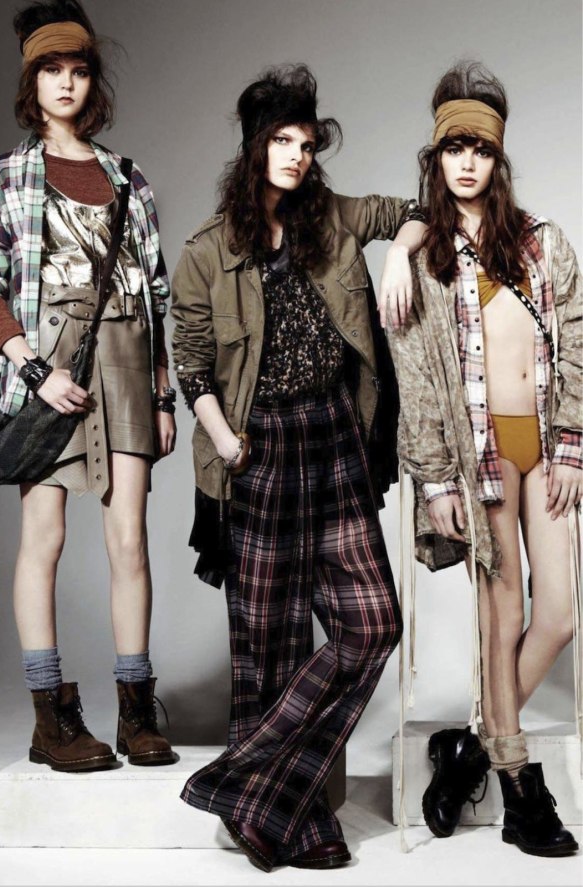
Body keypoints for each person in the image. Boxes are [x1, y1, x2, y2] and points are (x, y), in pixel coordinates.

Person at [171, 64, 427, 871]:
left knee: (371, 621)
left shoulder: (336, 218)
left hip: (334, 438)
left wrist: (398, 255)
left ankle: (240, 781)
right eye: (280, 141)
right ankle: (295, 813)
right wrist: (226, 440)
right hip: (257, 450)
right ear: (253, 148)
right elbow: (191, 364)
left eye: (306, 144)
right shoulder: (208, 252)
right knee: (268, 642)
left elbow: (417, 211)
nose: (294, 156)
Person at [0, 0, 177, 770]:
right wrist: (33, 370)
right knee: (44, 537)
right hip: (48, 360)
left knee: (129, 538)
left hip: (125, 356)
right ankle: (50, 717)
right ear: (31, 80)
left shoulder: (126, 176)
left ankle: (135, 711)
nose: (65, 83)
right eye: (50, 69)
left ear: (93, 82)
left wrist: (162, 394)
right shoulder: (3, 176)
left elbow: (155, 292)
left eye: (78, 70)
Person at [386, 61, 581, 857]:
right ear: (434, 157)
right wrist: (436, 479)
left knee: (558, 615)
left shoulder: (542, 243)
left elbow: (577, 343)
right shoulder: (423, 259)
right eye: (452, 148)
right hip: (479, 461)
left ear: (498, 159)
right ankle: (519, 789)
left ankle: (465, 745)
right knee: (500, 623)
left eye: (480, 149)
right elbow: (415, 385)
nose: (465, 163)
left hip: (544, 451)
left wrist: (571, 445)